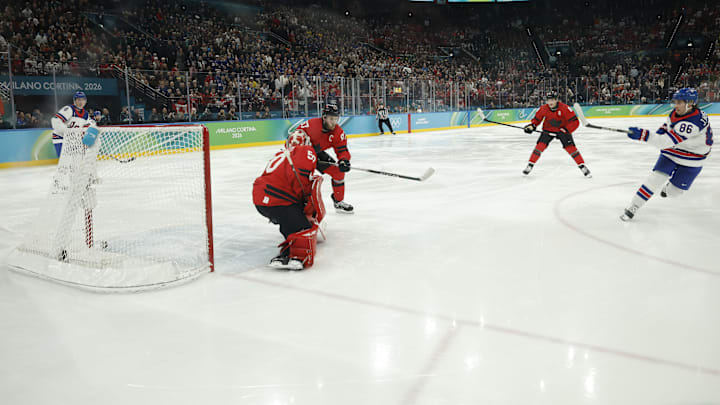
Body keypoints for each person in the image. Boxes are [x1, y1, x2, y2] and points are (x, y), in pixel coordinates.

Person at [621, 88, 713, 221]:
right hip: (673, 151)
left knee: (674, 193)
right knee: (655, 179)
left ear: (691, 103)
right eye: (675, 102)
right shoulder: (677, 113)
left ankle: (669, 188)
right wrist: (657, 133)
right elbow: (667, 127)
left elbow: (664, 142)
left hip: (694, 158)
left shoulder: (691, 124)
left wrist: (643, 135)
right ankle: (633, 206)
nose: (676, 105)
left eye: (680, 102)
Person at [253, 130, 324, 270]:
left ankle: (289, 235)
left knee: (289, 219)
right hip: (279, 202)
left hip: (260, 201)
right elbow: (301, 181)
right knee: (305, 229)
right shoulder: (306, 151)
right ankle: (289, 255)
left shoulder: (280, 154)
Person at [297, 103, 354, 213]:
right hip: (301, 155)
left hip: (317, 154)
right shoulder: (310, 125)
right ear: (324, 117)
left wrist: (344, 160)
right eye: (331, 119)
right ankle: (300, 204)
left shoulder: (338, 132)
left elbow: (342, 150)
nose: (334, 122)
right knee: (304, 179)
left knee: (338, 172)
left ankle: (338, 201)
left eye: (336, 119)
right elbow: (293, 140)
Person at [522, 92, 591, 177]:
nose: (550, 102)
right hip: (548, 129)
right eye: (548, 100)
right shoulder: (544, 108)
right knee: (539, 146)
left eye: (552, 100)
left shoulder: (565, 108)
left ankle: (582, 167)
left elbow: (575, 122)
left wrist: (565, 130)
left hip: (563, 130)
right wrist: (532, 126)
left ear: (556, 100)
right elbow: (537, 119)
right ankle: (530, 165)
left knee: (571, 149)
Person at [51, 91, 96, 157]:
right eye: (79, 100)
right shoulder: (69, 109)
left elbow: (88, 126)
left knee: (75, 159)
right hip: (60, 137)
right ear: (74, 101)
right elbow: (55, 120)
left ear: (85, 101)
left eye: (83, 100)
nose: (81, 102)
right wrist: (66, 131)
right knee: (64, 159)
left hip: (72, 139)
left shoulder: (85, 114)